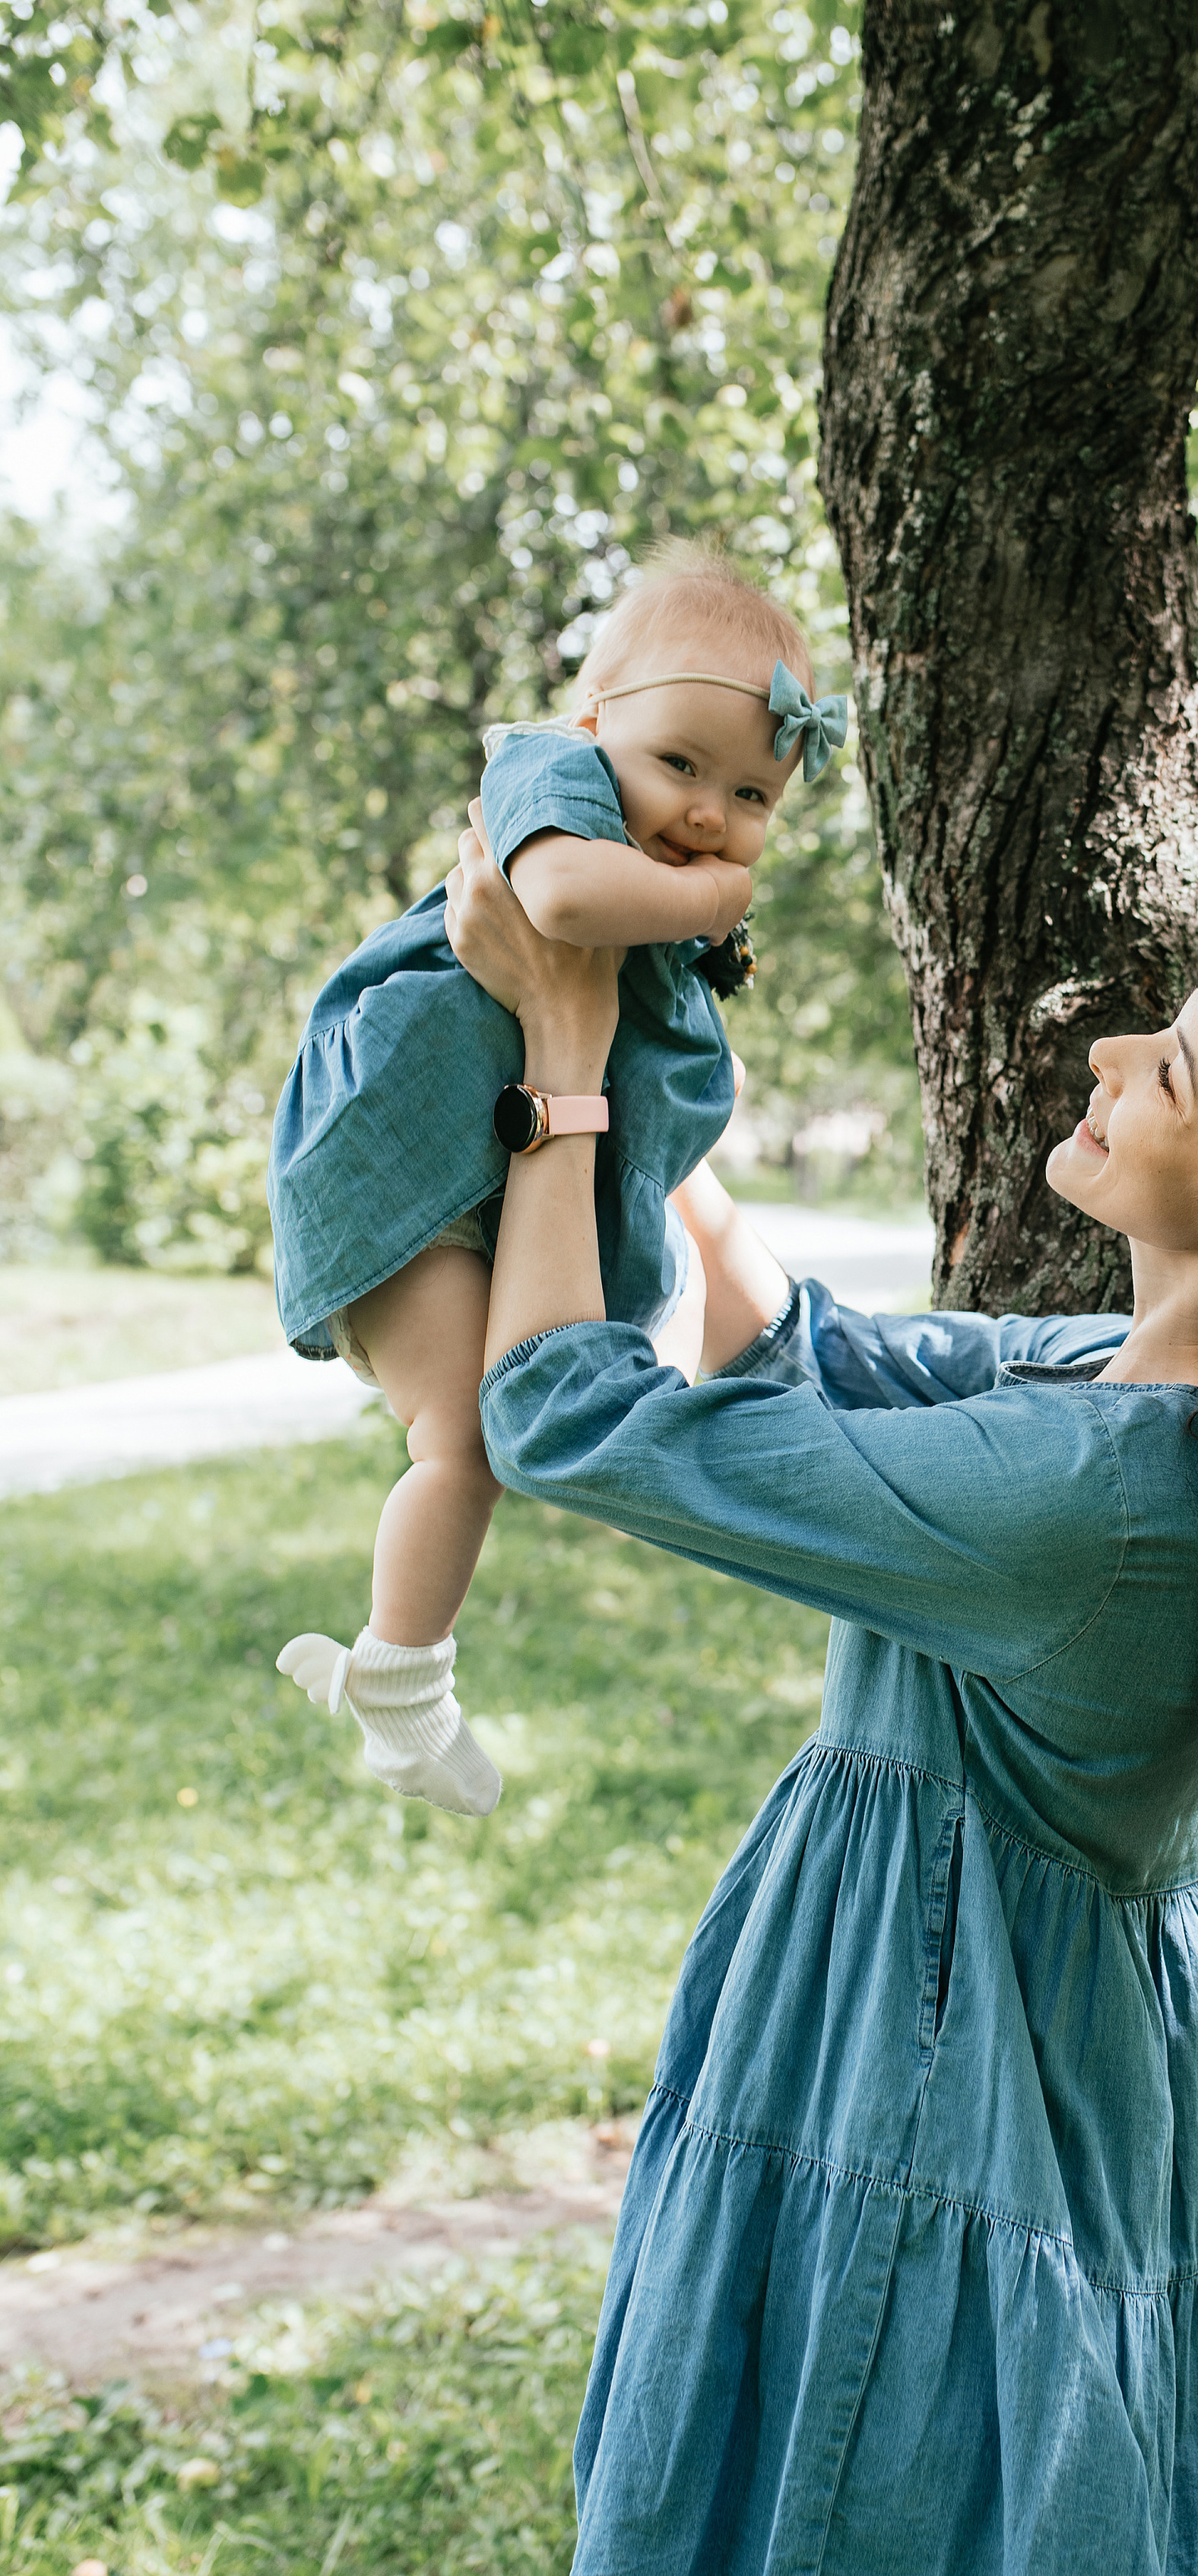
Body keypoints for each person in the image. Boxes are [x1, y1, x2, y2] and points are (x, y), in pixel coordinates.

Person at [445, 808, 1198, 2576]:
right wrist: (640, 1057)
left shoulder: (1096, 1503)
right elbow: (818, 1349)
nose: (1110, 1063)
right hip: (989, 2025)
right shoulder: (1162, 1399)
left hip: (935, 2056)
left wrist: (555, 1078)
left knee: (867, 2527)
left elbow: (556, 1415)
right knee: (832, 2540)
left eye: (1172, 1072)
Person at [268, 544, 846, 1814]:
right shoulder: (551, 775)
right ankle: (402, 1685)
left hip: (468, 1173)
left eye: (751, 794)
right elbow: (568, 898)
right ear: (595, 723)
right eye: (680, 764)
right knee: (464, 1439)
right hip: (390, 1158)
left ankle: (395, 1668)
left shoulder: (657, 879)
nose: (705, 814)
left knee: (519, 1416)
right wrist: (718, 890)